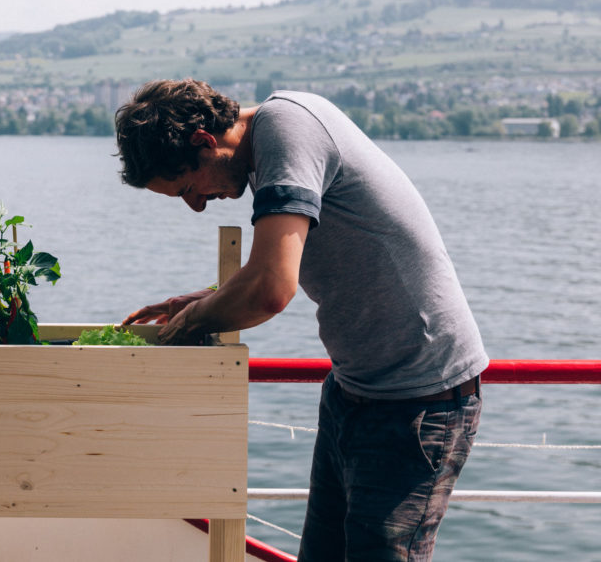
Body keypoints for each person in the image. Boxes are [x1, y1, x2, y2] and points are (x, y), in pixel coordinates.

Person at [115, 79, 488, 561]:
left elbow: (271, 289)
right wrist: (199, 301)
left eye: (189, 188)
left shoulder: (288, 131)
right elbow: (271, 265)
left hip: (419, 402)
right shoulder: (271, 146)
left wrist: (187, 327)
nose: (197, 205)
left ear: (205, 142)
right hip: (353, 391)